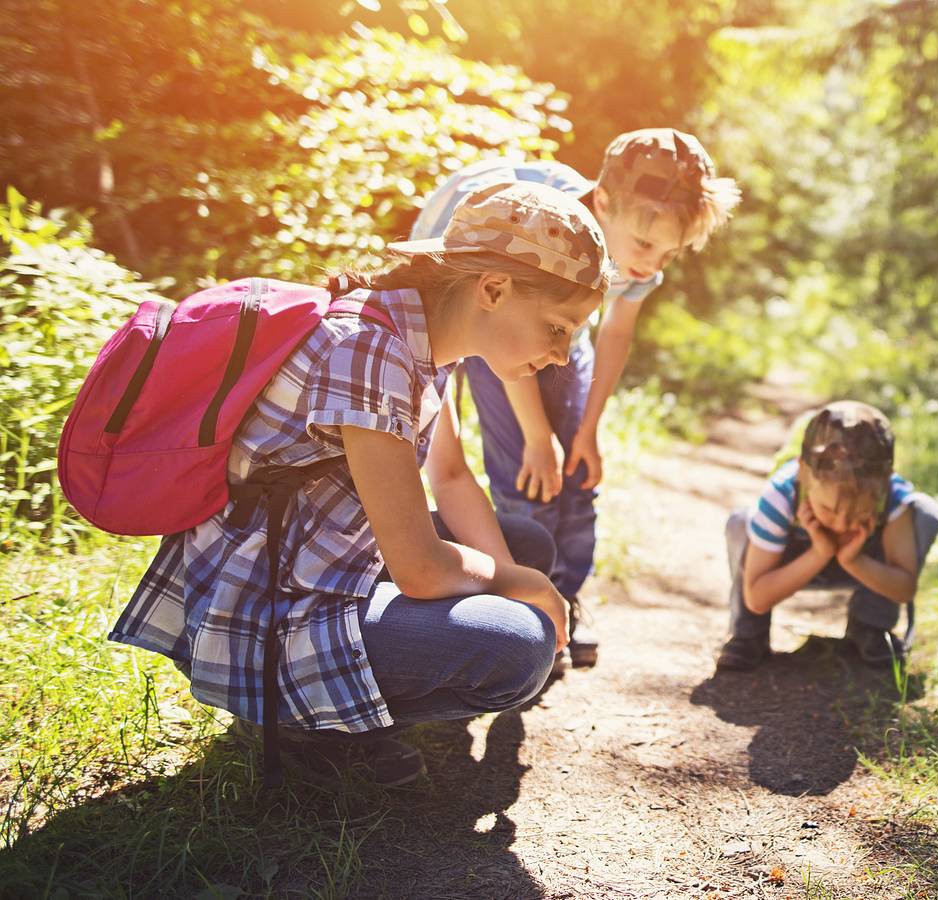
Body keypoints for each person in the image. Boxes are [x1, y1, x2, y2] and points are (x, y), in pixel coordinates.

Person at [109, 181, 609, 786]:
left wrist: (512, 574)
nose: (560, 356)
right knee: (517, 645)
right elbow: (420, 569)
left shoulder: (422, 343)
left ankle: (352, 702)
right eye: (558, 328)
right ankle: (303, 727)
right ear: (493, 290)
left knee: (525, 543)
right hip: (270, 610)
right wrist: (514, 585)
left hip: (323, 562)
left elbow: (449, 477)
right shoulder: (370, 353)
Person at [408, 129, 740, 667]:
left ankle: (563, 594)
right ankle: (526, 605)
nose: (654, 265)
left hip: (558, 315)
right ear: (602, 204)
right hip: (477, 307)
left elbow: (613, 332)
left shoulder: (636, 255)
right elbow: (503, 331)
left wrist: (586, 431)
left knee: (576, 470)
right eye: (646, 246)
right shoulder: (543, 235)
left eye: (670, 254)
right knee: (527, 463)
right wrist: (538, 438)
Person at [718, 401, 938, 671]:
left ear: (885, 483)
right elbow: (757, 597)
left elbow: (904, 588)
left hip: (864, 565)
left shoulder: (892, 498)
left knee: (925, 513)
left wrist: (854, 561)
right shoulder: (781, 495)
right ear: (802, 472)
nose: (840, 524)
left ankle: (870, 625)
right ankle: (748, 635)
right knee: (741, 522)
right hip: (793, 564)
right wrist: (819, 553)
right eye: (827, 509)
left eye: (859, 513)